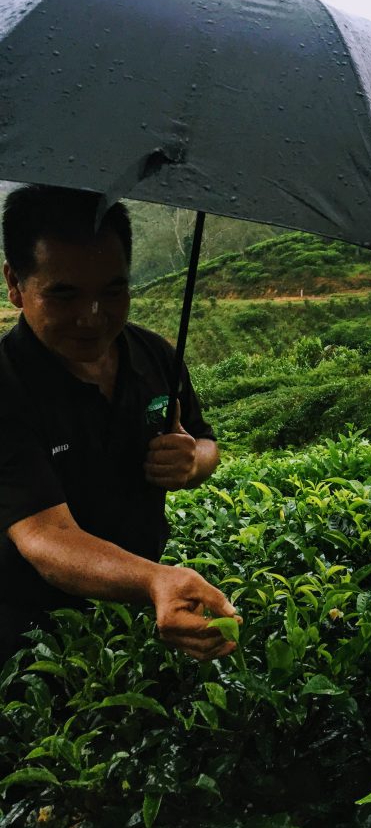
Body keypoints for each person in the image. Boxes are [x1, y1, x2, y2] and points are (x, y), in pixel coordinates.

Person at [0, 184, 239, 665]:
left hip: (143, 615)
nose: (92, 318)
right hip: (30, 633)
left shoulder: (154, 356)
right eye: (63, 295)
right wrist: (155, 580)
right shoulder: (6, 383)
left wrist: (192, 461)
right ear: (15, 284)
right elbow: (46, 537)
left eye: (113, 290)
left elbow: (206, 441)